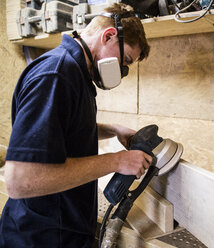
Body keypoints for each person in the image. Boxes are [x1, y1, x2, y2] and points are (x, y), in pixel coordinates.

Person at [0, 3, 151, 247]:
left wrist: (112, 130)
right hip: (42, 237)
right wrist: (118, 161)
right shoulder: (56, 75)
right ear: (109, 36)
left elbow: (62, 129)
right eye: (125, 60)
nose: (122, 71)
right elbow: (21, 181)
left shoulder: (75, 72)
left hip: (62, 230)